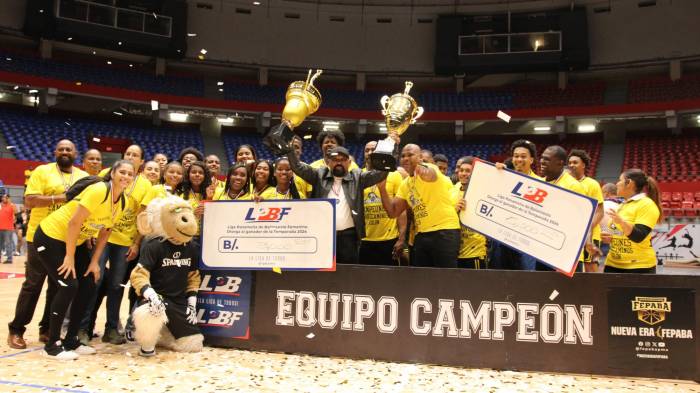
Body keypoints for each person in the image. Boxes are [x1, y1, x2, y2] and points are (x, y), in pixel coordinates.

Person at [34, 160, 135, 359]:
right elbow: (73, 223)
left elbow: (105, 233)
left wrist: (94, 262)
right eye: (122, 171)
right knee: (68, 285)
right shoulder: (99, 190)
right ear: (113, 173)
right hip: (51, 236)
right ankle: (52, 346)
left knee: (89, 283)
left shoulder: (122, 201)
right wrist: (69, 257)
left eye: (130, 174)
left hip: (75, 241)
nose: (126, 176)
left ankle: (72, 340)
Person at [7, 140, 88, 350]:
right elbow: (30, 201)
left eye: (68, 149)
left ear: (75, 153)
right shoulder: (42, 171)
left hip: (64, 240)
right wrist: (62, 198)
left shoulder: (82, 176)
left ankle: (47, 329)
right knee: (33, 284)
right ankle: (16, 329)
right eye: (61, 149)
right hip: (38, 236)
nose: (64, 152)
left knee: (57, 287)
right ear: (55, 152)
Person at [84, 145, 151, 345]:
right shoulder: (106, 174)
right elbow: (93, 204)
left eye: (135, 155)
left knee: (116, 286)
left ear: (141, 162)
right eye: (128, 154)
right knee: (94, 281)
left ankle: (111, 329)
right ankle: (83, 328)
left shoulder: (145, 185)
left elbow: (143, 218)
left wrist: (136, 244)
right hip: (101, 237)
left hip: (124, 242)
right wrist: (89, 231)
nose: (131, 157)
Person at [288, 144, 389, 264]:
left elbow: (381, 173)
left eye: (342, 160)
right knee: (323, 272)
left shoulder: (358, 177)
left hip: (349, 237)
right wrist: (289, 149)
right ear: (328, 162)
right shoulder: (319, 175)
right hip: (323, 235)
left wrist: (390, 146)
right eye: (335, 160)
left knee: (348, 275)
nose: (339, 163)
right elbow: (297, 166)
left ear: (349, 162)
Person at [377, 144, 460, 268]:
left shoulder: (431, 168)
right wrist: (381, 188)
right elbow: (393, 212)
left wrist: (419, 168)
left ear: (421, 157)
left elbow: (429, 174)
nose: (405, 158)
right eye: (403, 156)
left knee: (445, 279)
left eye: (410, 155)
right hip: (421, 234)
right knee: (423, 278)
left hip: (445, 231)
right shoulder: (405, 184)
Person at [490, 139, 540, 271]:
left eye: (523, 156)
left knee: (526, 280)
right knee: (498, 279)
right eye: (516, 156)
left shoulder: (541, 184)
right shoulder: (502, 177)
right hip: (501, 237)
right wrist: (496, 174)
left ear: (531, 160)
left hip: (527, 241)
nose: (519, 159)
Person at [602, 169, 662, 274]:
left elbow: (638, 236)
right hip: (613, 264)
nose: (617, 184)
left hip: (639, 267)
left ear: (629, 182)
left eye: (619, 180)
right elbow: (622, 233)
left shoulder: (647, 204)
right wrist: (612, 238)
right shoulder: (622, 205)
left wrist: (621, 222)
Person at [537, 145, 586, 272]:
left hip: (564, 254)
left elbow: (580, 224)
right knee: (541, 290)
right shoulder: (539, 183)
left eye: (547, 159)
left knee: (567, 292)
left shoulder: (573, 186)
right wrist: (501, 171)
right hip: (541, 250)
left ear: (560, 163)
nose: (542, 161)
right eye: (542, 158)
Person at [358, 141, 406, 266]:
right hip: (364, 240)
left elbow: (401, 211)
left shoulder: (394, 175)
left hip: (389, 240)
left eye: (373, 150)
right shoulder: (358, 176)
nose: (369, 153)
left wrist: (401, 238)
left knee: (389, 280)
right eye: (366, 150)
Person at [568, 149, 605, 272]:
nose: (571, 165)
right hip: (571, 234)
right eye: (570, 163)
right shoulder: (565, 183)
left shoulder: (592, 184)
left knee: (591, 270)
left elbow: (600, 212)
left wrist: (586, 229)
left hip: (590, 234)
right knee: (572, 269)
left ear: (583, 165)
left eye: (575, 162)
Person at [452, 157, 488, 269]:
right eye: (461, 170)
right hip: (455, 250)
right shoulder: (452, 189)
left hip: (475, 252)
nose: (463, 174)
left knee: (476, 286)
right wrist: (455, 210)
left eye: (468, 171)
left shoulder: (483, 191)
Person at [179, 161, 211, 245]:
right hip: (188, 237)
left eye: (201, 173)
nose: (197, 174)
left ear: (205, 176)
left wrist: (209, 198)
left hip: (208, 237)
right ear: (188, 175)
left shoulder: (211, 193)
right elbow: (178, 220)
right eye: (193, 172)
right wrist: (193, 215)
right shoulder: (182, 196)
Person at [599, 182, 621, 267]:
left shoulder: (601, 206)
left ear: (606, 193)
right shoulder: (624, 206)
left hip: (602, 242)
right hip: (619, 244)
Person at [0, 194, 16, 264]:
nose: (3, 198)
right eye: (3, 197)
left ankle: (9, 259)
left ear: (8, 198)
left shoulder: (12, 206)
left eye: (5, 197)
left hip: (8, 228)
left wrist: (10, 203)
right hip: (0, 227)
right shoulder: (0, 205)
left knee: (8, 244)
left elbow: (16, 213)